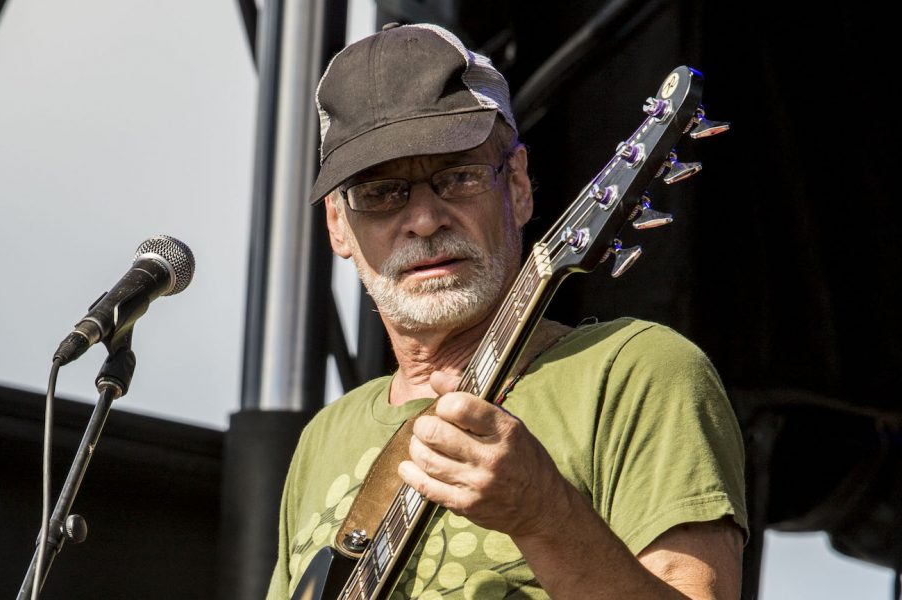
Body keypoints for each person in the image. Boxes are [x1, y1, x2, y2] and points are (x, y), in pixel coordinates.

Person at [266, 22, 747, 600]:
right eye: (381, 192)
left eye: (459, 176)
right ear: (338, 226)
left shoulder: (638, 371)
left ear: (517, 185)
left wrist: (546, 516)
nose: (424, 219)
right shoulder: (324, 438)